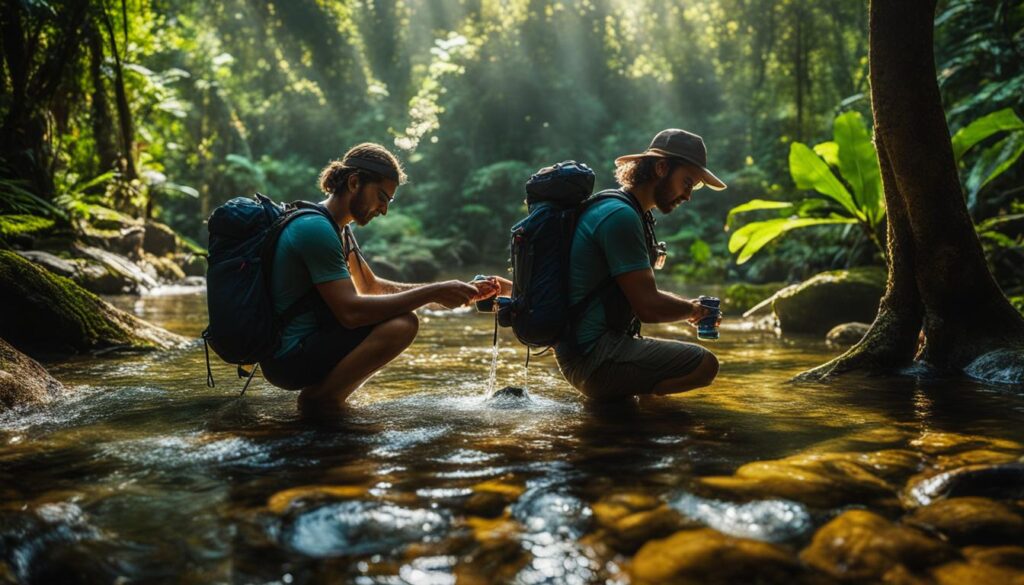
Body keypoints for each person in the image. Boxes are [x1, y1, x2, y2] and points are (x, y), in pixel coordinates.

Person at [259, 143, 501, 413]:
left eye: (388, 201)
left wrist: (448, 292)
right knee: (403, 324)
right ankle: (321, 400)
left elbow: (373, 288)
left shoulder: (340, 230)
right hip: (289, 358)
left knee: (401, 317)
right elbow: (351, 312)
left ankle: (326, 397)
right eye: (382, 197)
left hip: (308, 345)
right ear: (354, 182)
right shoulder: (314, 229)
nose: (384, 209)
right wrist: (434, 292)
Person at [554, 129, 726, 401]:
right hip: (593, 358)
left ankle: (635, 415)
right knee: (704, 364)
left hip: (582, 351)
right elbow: (648, 307)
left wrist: (691, 308)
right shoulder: (620, 216)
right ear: (661, 168)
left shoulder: (624, 209)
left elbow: (641, 298)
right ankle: (643, 415)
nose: (688, 195)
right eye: (688, 182)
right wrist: (693, 310)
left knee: (664, 367)